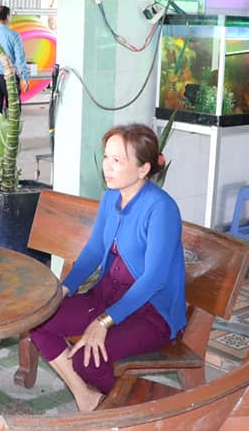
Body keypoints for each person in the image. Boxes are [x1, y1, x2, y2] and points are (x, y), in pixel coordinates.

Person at [29, 124, 186, 411]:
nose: (107, 167)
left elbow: (154, 279)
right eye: (106, 157)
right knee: (36, 320)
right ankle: (87, 397)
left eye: (117, 160)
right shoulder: (111, 197)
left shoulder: (161, 208)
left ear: (143, 169)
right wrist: (64, 289)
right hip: (107, 297)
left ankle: (143, 413)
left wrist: (103, 321)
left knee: (88, 359)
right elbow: (94, 251)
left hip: (151, 313)